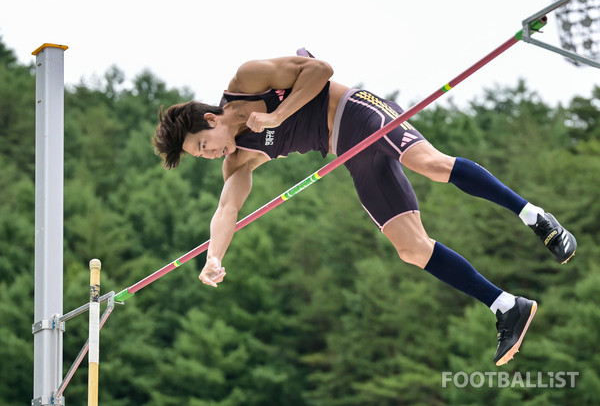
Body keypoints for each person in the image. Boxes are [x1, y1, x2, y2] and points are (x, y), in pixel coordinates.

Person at [152, 49, 576, 366]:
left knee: (429, 163)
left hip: (358, 112)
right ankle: (506, 307)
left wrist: (279, 117)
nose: (208, 155)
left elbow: (319, 70)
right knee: (411, 248)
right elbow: (228, 209)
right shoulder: (238, 156)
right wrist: (213, 257)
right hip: (349, 152)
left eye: (202, 146)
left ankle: (536, 218)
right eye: (200, 156)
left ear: (211, 120)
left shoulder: (247, 80)